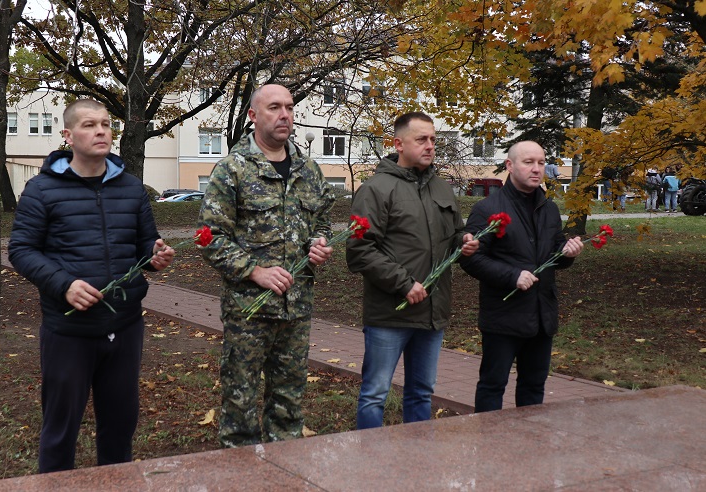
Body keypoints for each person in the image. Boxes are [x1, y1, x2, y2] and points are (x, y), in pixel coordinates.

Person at [8, 99, 175, 472]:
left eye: (105, 124)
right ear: (68, 136)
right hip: (69, 331)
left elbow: (145, 246)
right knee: (60, 432)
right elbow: (21, 250)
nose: (100, 131)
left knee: (119, 429)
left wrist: (156, 256)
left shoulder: (132, 188)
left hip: (125, 326)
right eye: (89, 125)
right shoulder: (41, 189)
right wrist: (64, 285)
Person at [197, 84, 335, 448]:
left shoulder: (308, 170)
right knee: (240, 405)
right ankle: (241, 471)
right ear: (253, 116)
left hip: (296, 309)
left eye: (289, 107)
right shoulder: (233, 169)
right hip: (248, 312)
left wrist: (319, 243)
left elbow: (322, 220)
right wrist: (255, 271)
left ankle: (284, 469)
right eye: (274, 107)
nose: (285, 114)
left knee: (289, 404)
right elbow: (209, 237)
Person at [345, 112, 478, 429]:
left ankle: (417, 456)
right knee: (375, 394)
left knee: (421, 393)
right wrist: (404, 284)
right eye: (421, 139)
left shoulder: (442, 188)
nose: (430, 146)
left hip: (431, 313)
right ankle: (371, 456)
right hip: (390, 314)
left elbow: (453, 234)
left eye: (433, 139)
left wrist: (463, 242)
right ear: (398, 144)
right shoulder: (376, 189)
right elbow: (360, 250)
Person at [459, 141, 584, 413]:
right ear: (510, 165)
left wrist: (567, 253)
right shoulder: (487, 209)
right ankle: (490, 437)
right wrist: (512, 276)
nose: (536, 169)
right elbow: (470, 259)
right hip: (503, 317)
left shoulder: (549, 208)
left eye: (541, 162)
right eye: (528, 162)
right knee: (493, 385)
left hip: (541, 317)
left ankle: (529, 438)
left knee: (534, 386)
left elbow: (554, 255)